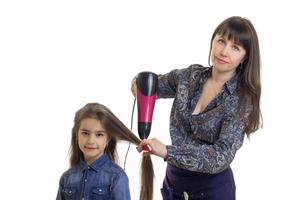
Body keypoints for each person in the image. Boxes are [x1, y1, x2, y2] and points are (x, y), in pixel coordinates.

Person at [131, 16, 262, 200]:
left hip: (212, 190)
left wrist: (168, 151)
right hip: (174, 185)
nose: (224, 52)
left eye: (235, 47)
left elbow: (221, 156)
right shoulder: (189, 76)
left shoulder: (241, 100)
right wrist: (139, 84)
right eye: (221, 41)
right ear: (213, 41)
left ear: (245, 57)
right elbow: (153, 84)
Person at [56, 103, 154, 200]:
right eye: (85, 133)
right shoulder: (67, 178)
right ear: (76, 135)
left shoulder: (117, 177)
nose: (91, 141)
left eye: (99, 134)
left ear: (108, 138)